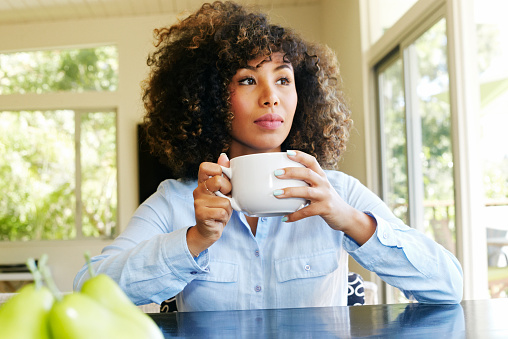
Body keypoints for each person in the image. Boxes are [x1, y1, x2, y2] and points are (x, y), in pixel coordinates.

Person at [74, 1, 463, 311]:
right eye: (247, 80)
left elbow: (449, 286)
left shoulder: (337, 192)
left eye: (283, 79)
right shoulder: (178, 200)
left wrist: (349, 219)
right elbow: (89, 289)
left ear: (301, 95)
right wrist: (194, 240)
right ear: (208, 99)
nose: (270, 96)